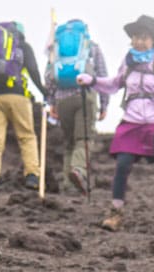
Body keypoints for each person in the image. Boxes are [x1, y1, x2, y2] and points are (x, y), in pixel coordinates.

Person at [76, 14, 154, 230]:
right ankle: (115, 212)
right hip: (131, 120)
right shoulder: (128, 60)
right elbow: (114, 84)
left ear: (153, 40)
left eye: (144, 37)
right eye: (136, 37)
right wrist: (92, 81)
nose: (139, 41)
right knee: (122, 165)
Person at [0, 22, 47, 193]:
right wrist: (45, 93)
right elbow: (32, 70)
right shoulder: (22, 46)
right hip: (18, 96)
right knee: (26, 137)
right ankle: (32, 176)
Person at [44, 19, 109, 195]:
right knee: (84, 139)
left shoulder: (56, 49)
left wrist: (51, 102)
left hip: (62, 100)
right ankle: (79, 170)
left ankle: (68, 185)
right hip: (84, 96)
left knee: (69, 143)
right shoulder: (91, 47)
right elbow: (102, 76)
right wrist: (104, 104)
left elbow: (49, 76)